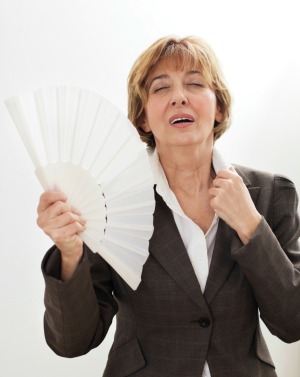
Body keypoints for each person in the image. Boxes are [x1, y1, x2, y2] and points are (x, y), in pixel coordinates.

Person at [37, 36, 300, 377]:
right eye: (161, 88)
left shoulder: (271, 193)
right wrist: (70, 253)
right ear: (143, 118)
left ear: (219, 107)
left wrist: (251, 225)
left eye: (194, 83)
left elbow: (292, 324)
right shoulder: (109, 203)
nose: (179, 96)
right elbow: (74, 342)